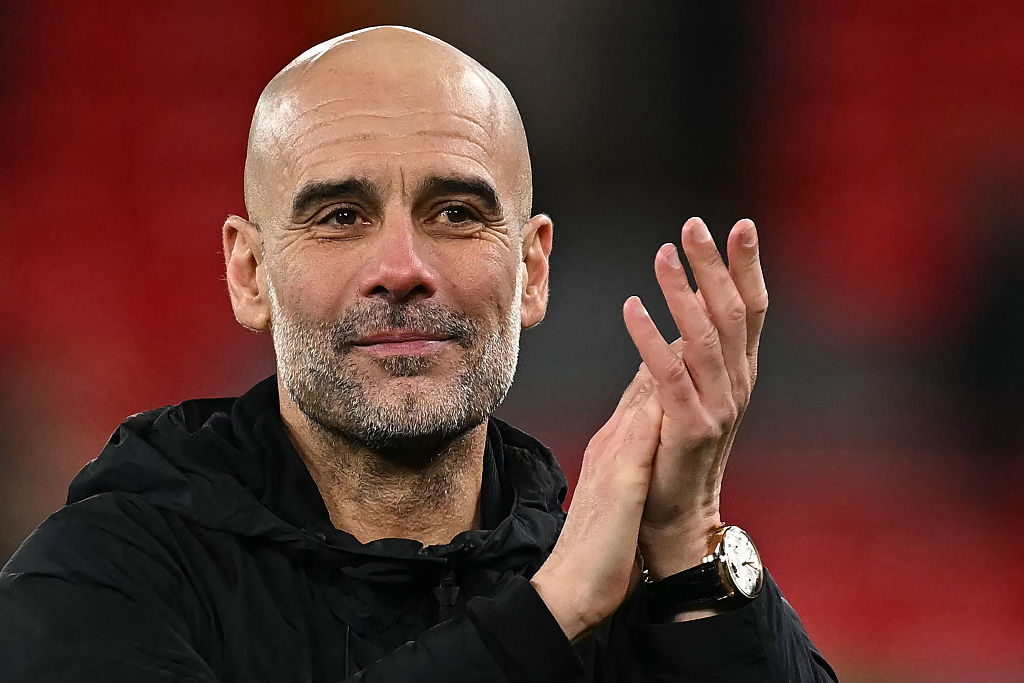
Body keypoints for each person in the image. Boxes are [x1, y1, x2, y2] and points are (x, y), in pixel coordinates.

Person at [0, 26, 836, 682]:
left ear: (532, 270)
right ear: (249, 272)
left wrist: (689, 544)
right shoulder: (99, 579)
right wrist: (546, 619)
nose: (402, 268)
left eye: (457, 212)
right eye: (339, 217)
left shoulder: (624, 585)